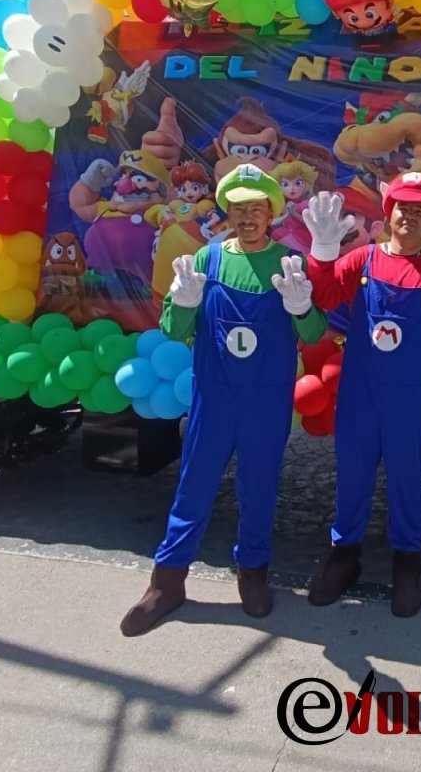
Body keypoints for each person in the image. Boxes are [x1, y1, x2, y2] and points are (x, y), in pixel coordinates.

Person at [120, 163, 326, 635]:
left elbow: (314, 334)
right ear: (228, 212)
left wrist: (302, 306)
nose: (248, 217)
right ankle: (167, 581)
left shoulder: (289, 264)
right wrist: (184, 301)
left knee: (258, 489)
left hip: (266, 402)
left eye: (257, 208)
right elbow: (174, 330)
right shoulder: (206, 261)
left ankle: (252, 574)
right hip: (214, 399)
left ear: (272, 213)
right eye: (239, 208)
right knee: (193, 487)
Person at [298, 171, 421, 617]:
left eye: (420, 210)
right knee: (352, 481)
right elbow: (321, 294)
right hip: (360, 395)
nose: (409, 216)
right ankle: (344, 561)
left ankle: (407, 567)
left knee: (406, 484)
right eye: (403, 207)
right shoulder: (362, 260)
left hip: (411, 400)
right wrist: (322, 250)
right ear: (389, 212)